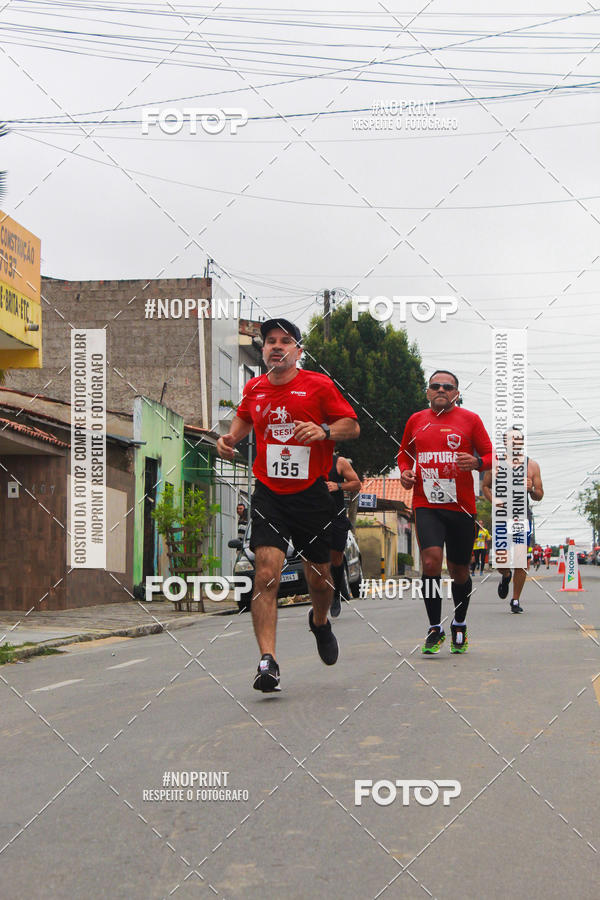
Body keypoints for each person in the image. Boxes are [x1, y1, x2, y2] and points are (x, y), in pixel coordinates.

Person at [216, 318, 359, 692]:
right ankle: (268, 660)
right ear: (263, 350)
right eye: (270, 341)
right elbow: (243, 420)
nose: (276, 346)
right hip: (270, 493)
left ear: (298, 351)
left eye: (285, 341)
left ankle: (320, 621)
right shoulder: (255, 388)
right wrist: (228, 440)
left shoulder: (318, 385)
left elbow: (352, 425)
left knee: (320, 579)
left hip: (311, 494)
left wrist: (324, 430)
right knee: (265, 573)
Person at [398, 370, 493, 655]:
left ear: (456, 393)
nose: (441, 390)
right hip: (426, 503)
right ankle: (434, 628)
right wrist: (405, 472)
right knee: (430, 562)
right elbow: (404, 454)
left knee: (459, 570)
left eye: (448, 387)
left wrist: (476, 462)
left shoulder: (470, 420)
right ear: (428, 391)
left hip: (461, 507)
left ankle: (459, 623)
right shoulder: (416, 420)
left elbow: (491, 456)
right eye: (435, 386)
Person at [482, 430, 544, 613]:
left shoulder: (531, 465)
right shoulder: (496, 464)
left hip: (521, 516)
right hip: (502, 516)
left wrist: (531, 488)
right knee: (501, 560)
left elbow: (540, 494)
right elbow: (485, 486)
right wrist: (494, 500)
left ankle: (515, 599)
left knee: (521, 559)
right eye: (510, 439)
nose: (514, 442)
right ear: (504, 442)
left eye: (517, 439)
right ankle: (506, 575)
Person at [326, 452, 361, 617]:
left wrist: (338, 486)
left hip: (336, 517)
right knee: (317, 560)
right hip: (314, 517)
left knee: (336, 558)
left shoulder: (339, 462)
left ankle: (336, 594)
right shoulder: (307, 461)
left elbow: (356, 483)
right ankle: (323, 596)